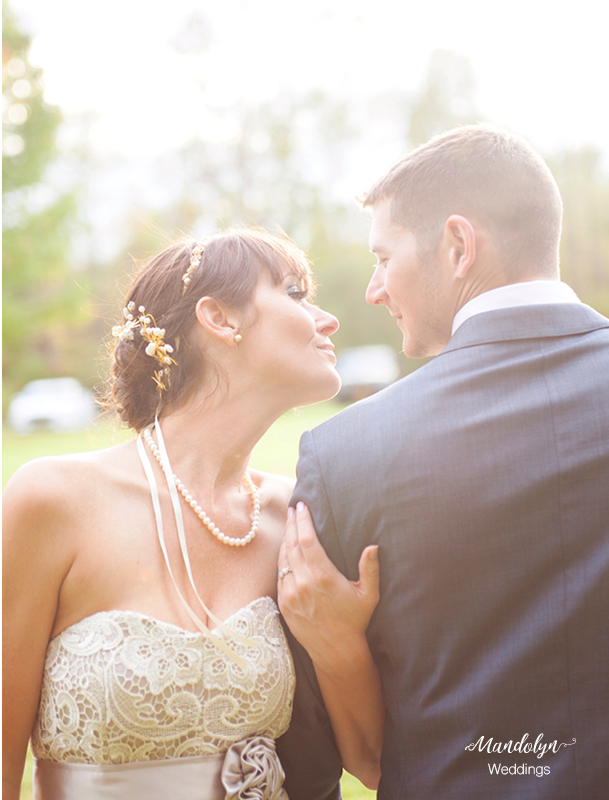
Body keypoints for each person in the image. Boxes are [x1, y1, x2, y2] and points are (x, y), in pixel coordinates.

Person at [277, 125, 609, 799]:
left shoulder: (346, 452)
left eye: (382, 256)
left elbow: (308, 758)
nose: (373, 289)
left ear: (457, 245)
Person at [2, 229, 383, 800]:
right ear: (220, 318)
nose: (328, 320)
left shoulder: (298, 520)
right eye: (296, 293)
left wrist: (342, 641)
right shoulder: (52, 501)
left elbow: (375, 765)